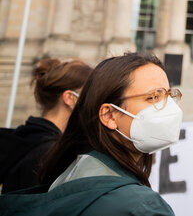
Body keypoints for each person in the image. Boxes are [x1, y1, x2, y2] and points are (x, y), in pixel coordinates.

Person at [0, 52, 182, 215]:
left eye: (169, 95)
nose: (169, 108)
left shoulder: (67, 177)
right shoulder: (142, 207)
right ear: (109, 115)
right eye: (153, 97)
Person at [0, 59, 92, 193]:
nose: (95, 104)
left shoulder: (27, 139)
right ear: (70, 98)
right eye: (90, 95)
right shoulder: (50, 153)